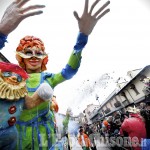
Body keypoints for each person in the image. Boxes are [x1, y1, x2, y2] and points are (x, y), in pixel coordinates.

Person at [0, 0, 110, 149]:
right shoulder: (12, 78)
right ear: (21, 56)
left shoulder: (48, 78)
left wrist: (82, 37)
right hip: (19, 141)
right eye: (28, 52)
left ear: (44, 57)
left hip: (45, 139)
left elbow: (69, 71)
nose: (33, 56)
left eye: (38, 53)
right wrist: (1, 32)